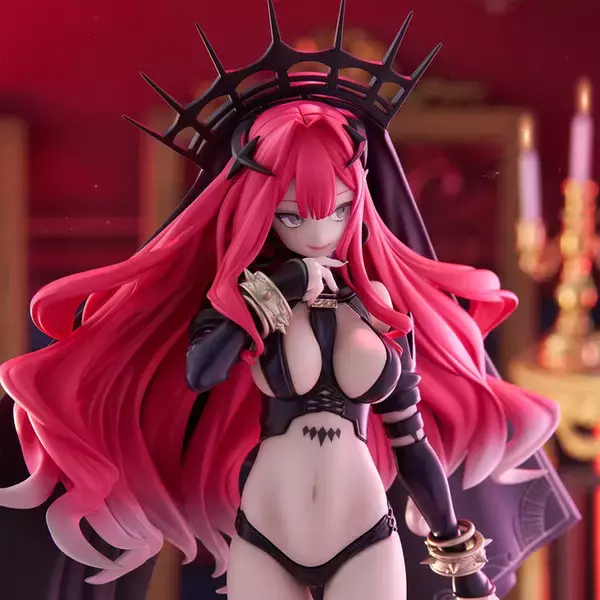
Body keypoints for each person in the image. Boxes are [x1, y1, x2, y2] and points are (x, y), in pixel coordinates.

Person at [0, 3, 579, 599]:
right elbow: (202, 373)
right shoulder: (250, 295)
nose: (320, 231)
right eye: (293, 215)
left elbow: (411, 443)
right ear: (260, 210)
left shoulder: (378, 304)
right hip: (265, 532)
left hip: (366, 531)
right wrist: (284, 286)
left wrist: (457, 551)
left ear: (359, 202)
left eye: (338, 209)